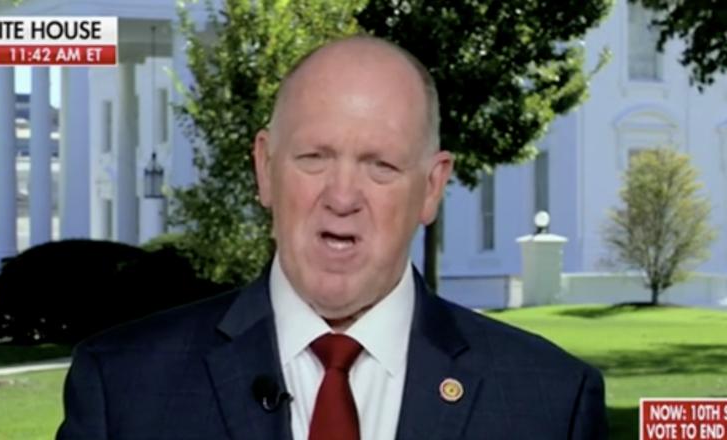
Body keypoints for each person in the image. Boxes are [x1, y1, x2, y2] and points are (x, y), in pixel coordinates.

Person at [57, 35, 607, 440]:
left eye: (381, 165)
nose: (342, 197)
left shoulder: (551, 401)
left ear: (431, 187)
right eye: (314, 157)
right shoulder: (121, 386)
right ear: (265, 169)